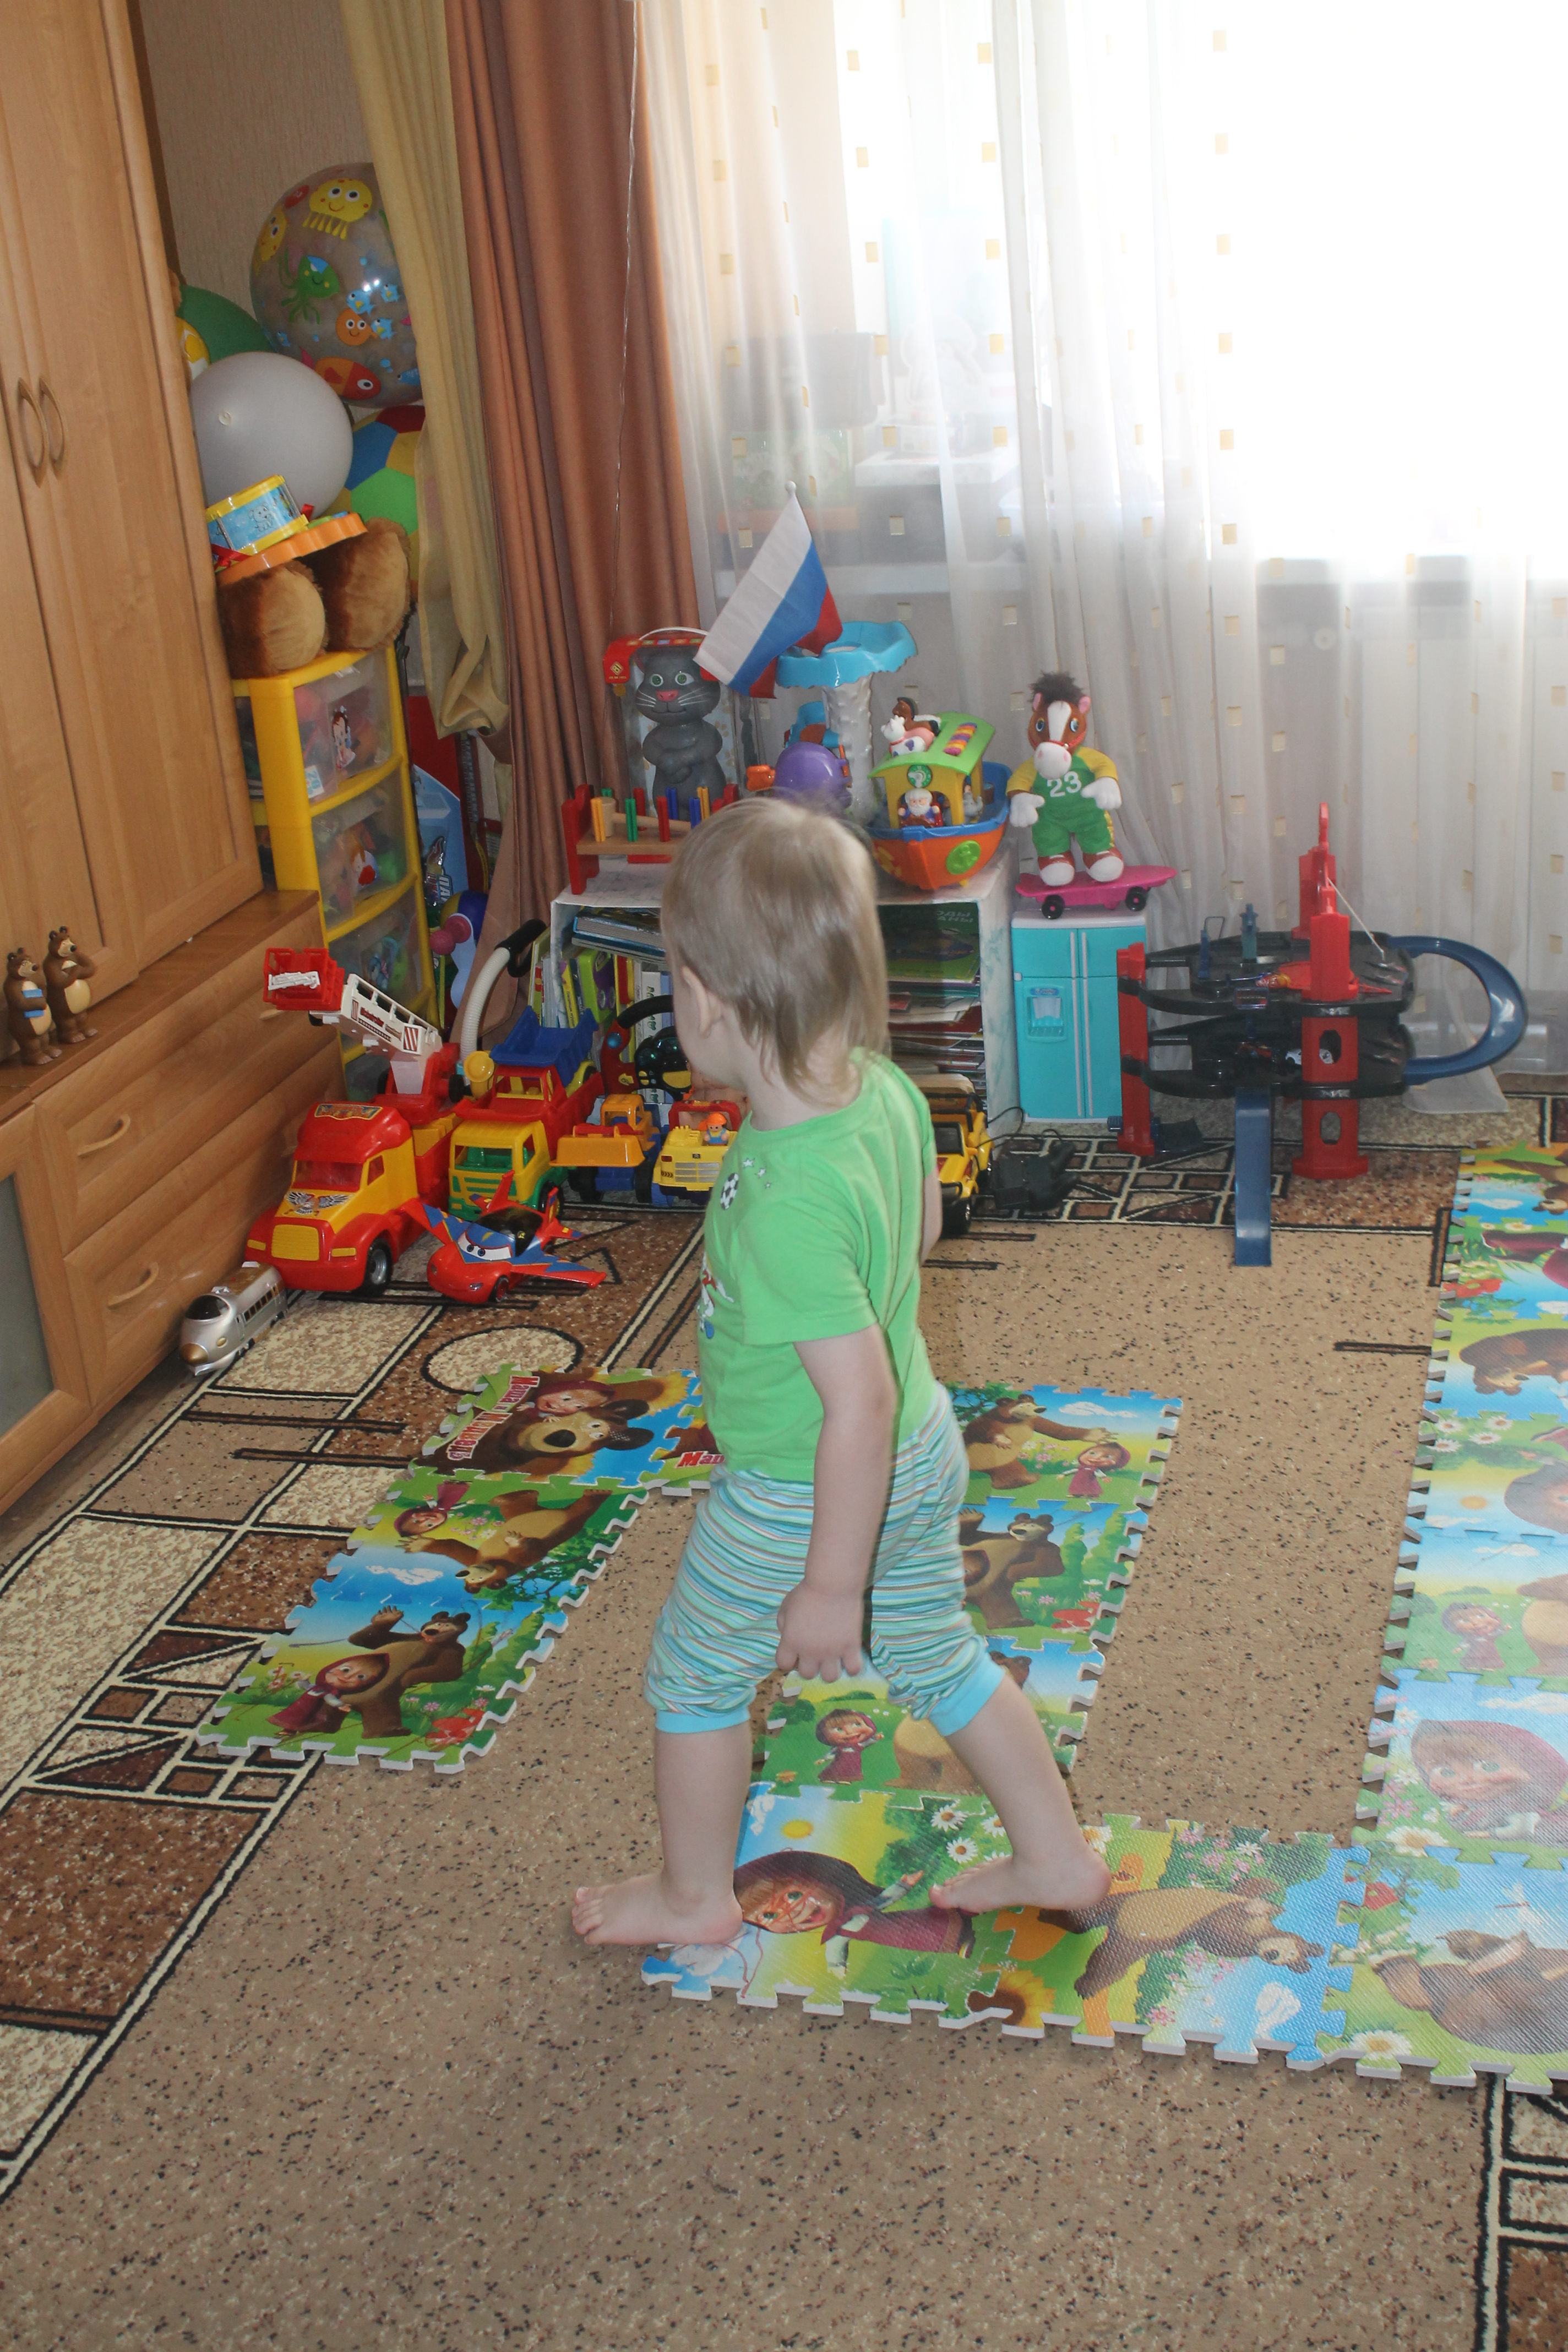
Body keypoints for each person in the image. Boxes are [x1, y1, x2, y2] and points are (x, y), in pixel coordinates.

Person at [572, 796, 1111, 1947]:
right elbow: (920, 1231)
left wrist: (827, 1583)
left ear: (704, 1000)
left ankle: (692, 1899)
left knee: (696, 1678)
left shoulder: (779, 1196)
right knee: (938, 1655)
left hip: (799, 1488)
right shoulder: (885, 1088)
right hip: (924, 1449)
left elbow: (849, 1401)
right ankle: (1054, 1856)